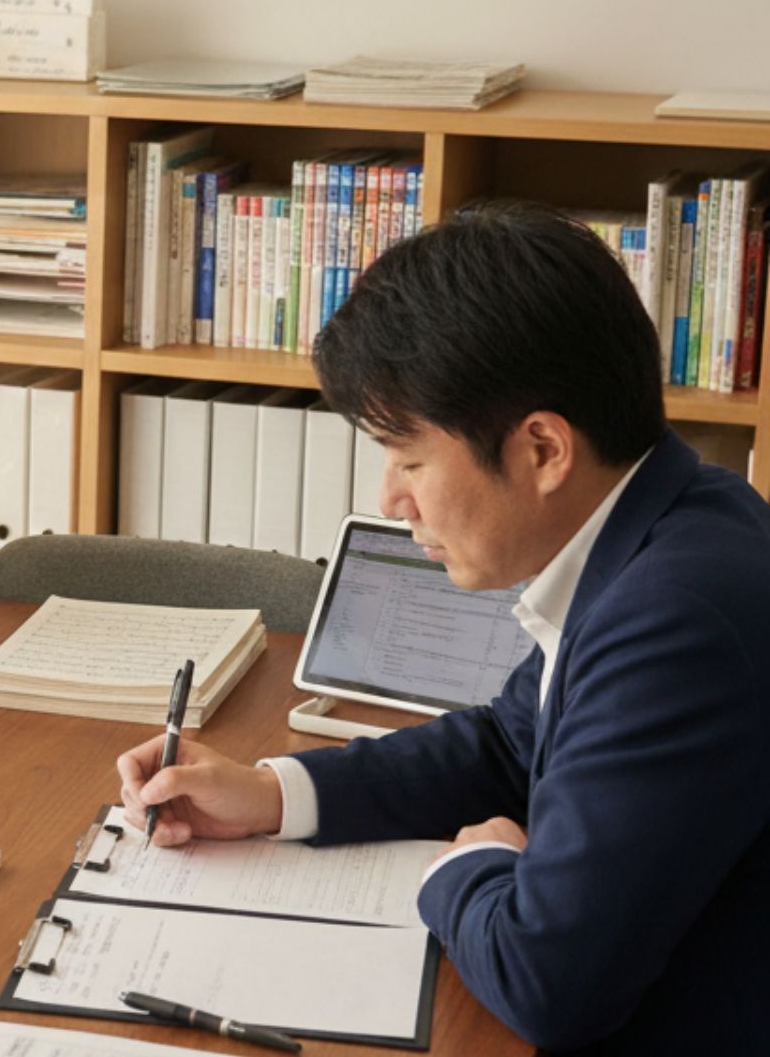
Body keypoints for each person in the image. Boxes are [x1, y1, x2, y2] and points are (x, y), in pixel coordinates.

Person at [116, 202, 770, 1053]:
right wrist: (275, 796)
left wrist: (468, 867)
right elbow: (508, 745)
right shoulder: (677, 517)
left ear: (542, 450)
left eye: (410, 459)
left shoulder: (676, 619)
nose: (391, 500)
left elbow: (550, 985)